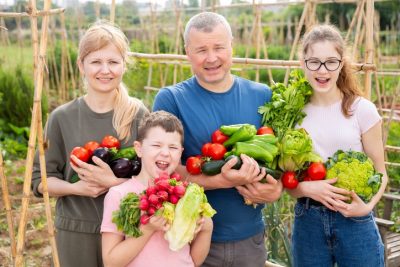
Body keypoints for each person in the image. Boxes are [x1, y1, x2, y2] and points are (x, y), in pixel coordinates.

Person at [153, 12, 283, 267]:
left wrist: (276, 190)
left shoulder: (262, 96)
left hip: (250, 241)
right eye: (201, 50)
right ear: (187, 52)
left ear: (231, 46)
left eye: (219, 48)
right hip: (190, 239)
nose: (211, 58)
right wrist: (220, 180)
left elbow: (277, 166)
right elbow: (162, 172)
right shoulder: (171, 99)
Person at [31, 21, 149, 267]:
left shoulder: (137, 114)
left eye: (113, 62)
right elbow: (40, 181)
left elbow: (154, 176)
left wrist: (114, 183)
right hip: (77, 232)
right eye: (95, 62)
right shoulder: (61, 118)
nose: (105, 70)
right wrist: (78, 188)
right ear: (81, 65)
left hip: (129, 231)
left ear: (124, 66)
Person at [288, 24, 388, 267]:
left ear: (342, 64)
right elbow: (288, 181)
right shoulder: (293, 113)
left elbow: (381, 173)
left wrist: (367, 208)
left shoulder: (361, 110)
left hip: (354, 221)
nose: (322, 71)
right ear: (303, 62)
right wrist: (307, 189)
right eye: (314, 62)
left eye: (331, 62)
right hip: (308, 218)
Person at [101, 111, 213, 267]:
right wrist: (147, 230)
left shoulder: (185, 194)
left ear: (180, 152)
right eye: (156, 145)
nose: (165, 153)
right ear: (139, 149)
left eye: (173, 147)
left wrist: (207, 228)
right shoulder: (119, 194)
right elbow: (111, 262)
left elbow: (194, 260)